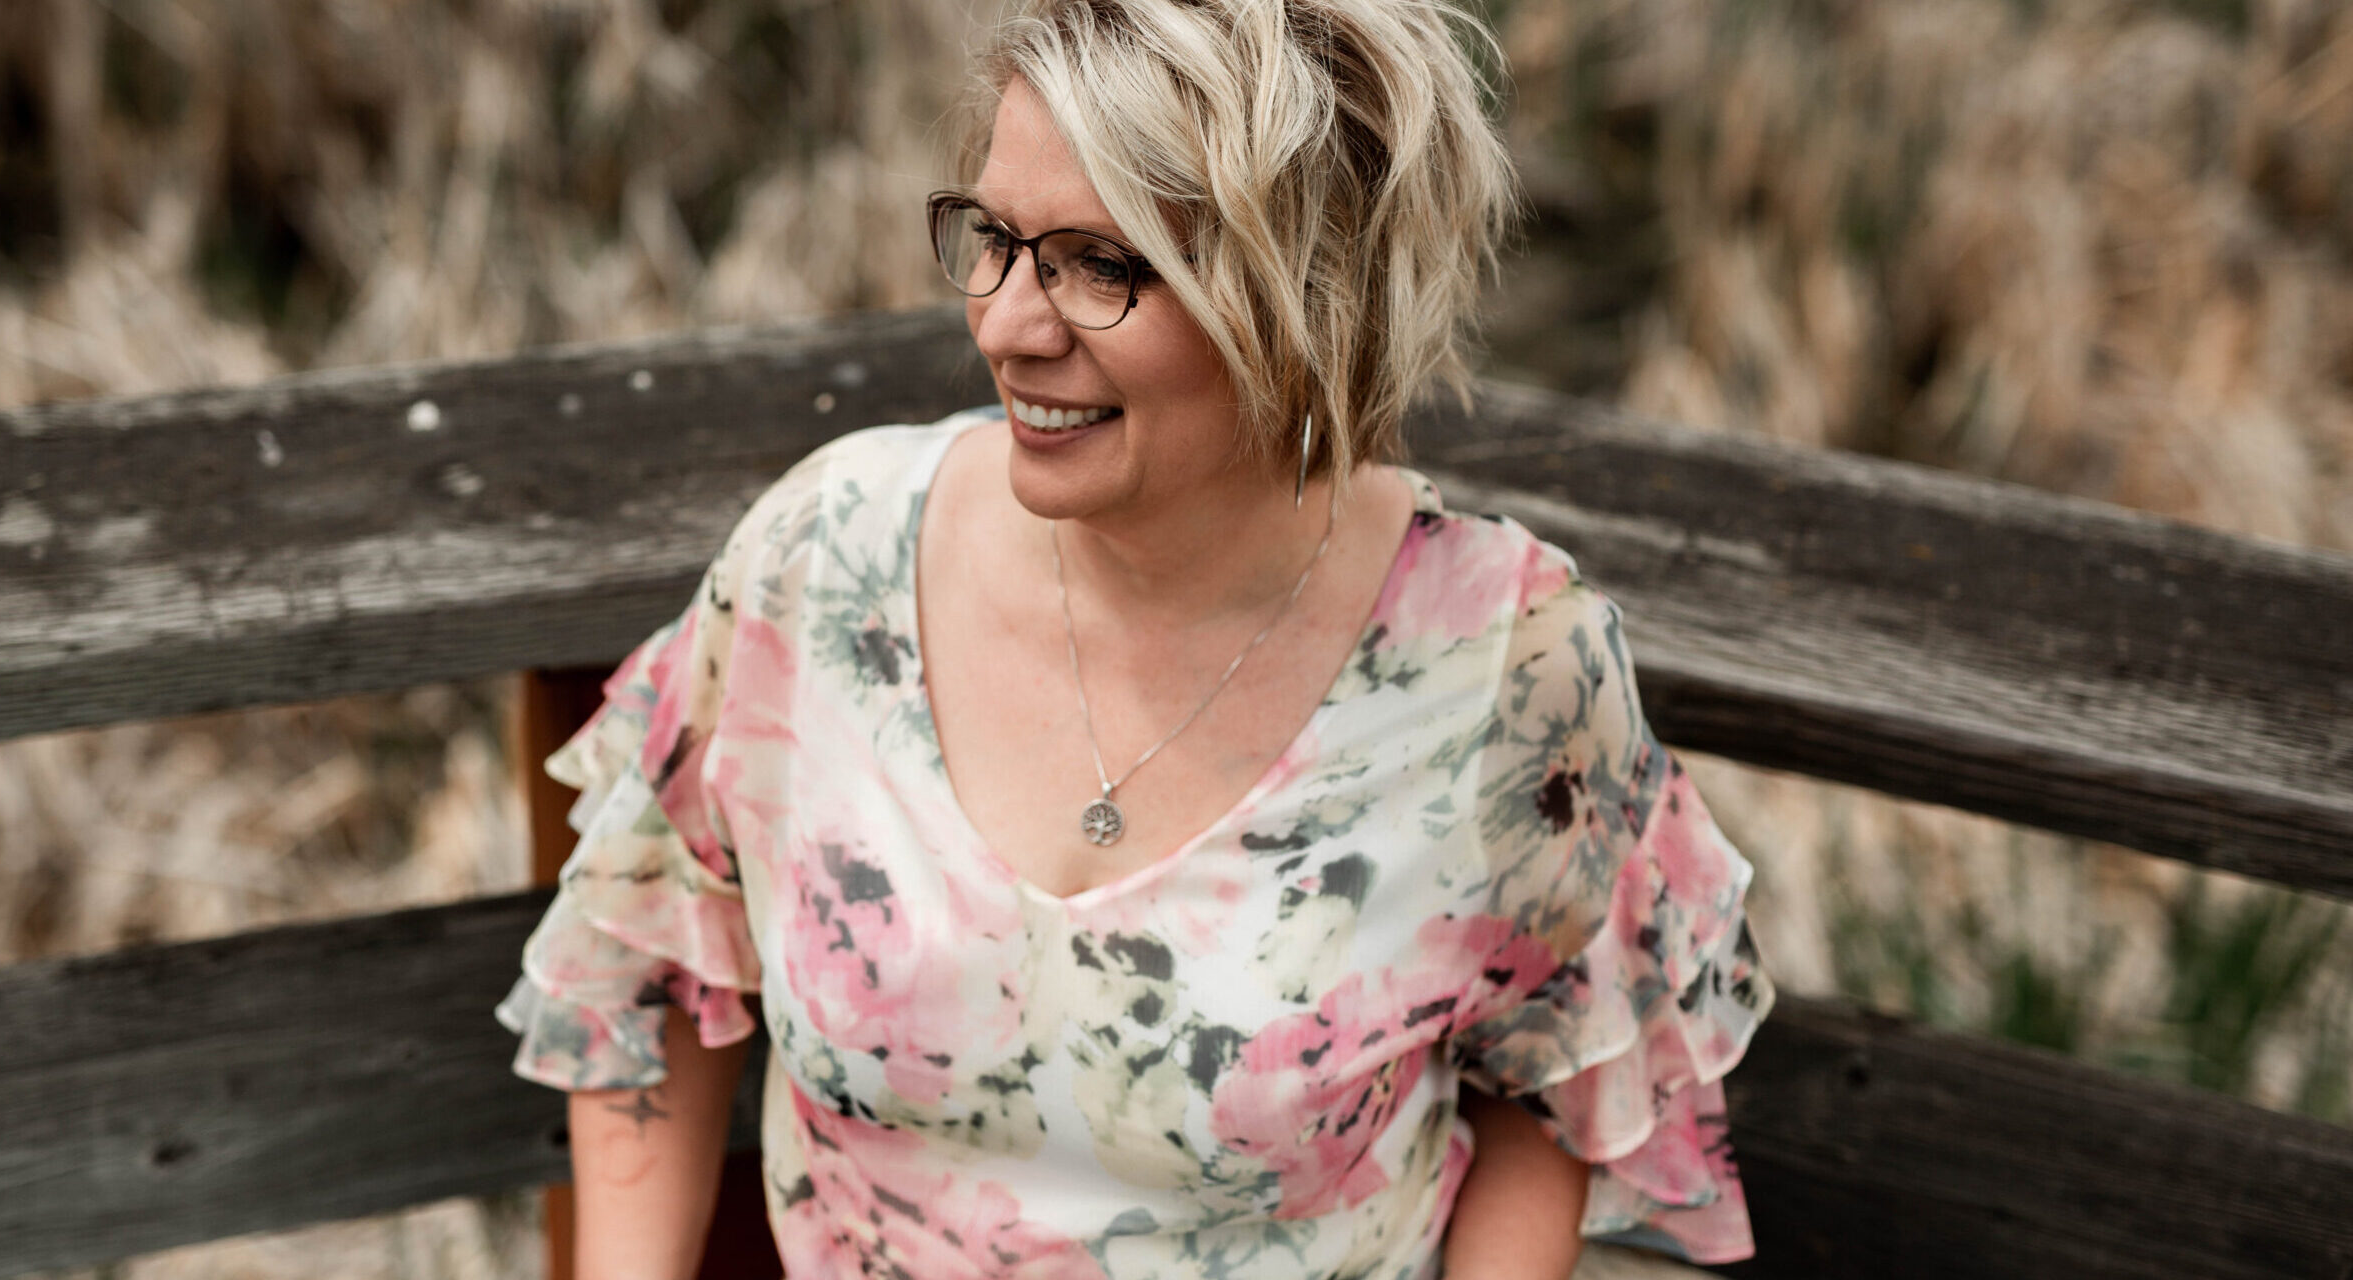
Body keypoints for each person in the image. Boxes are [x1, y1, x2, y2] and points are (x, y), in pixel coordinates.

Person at [496, 1, 1773, 1276]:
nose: (1006, 325)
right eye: (995, 239)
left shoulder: (1505, 665)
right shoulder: (823, 560)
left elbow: (1551, 1085)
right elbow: (650, 956)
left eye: (1099, 264)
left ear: (1305, 291)